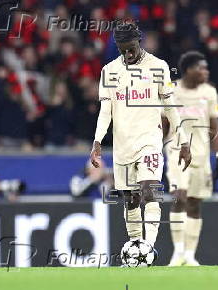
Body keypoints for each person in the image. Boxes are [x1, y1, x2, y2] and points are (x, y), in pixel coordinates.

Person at [89, 21, 192, 263]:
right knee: (130, 198)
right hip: (122, 145)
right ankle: (136, 244)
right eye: (123, 48)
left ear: (139, 42)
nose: (128, 52)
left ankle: (148, 247)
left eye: (131, 47)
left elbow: (170, 107)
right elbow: (106, 111)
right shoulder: (109, 71)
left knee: (150, 190)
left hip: (149, 140)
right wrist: (97, 141)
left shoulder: (158, 67)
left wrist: (183, 140)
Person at [164, 51, 218, 266]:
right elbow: (164, 122)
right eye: (202, 68)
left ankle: (190, 254)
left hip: (201, 154)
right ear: (188, 70)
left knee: (195, 203)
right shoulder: (171, 90)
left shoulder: (209, 92)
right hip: (176, 151)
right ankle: (177, 251)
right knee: (179, 196)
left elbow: (214, 126)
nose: (206, 72)